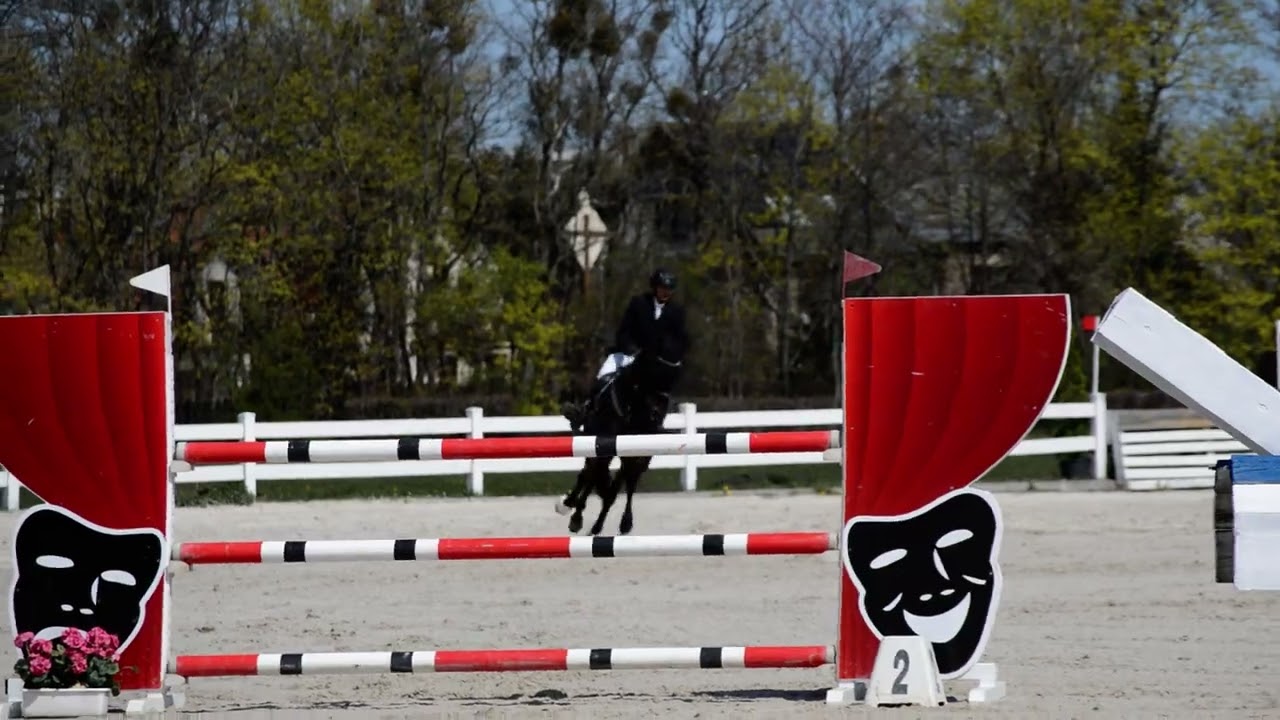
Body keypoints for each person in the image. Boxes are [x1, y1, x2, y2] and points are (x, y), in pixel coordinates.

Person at [562, 267, 689, 431]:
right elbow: (624, 331)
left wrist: (672, 356)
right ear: (655, 287)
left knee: (664, 384)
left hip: (657, 360)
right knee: (604, 373)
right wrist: (630, 348)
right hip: (631, 353)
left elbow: (680, 339)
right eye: (662, 288)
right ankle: (586, 409)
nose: (665, 292)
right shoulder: (638, 303)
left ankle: (658, 419)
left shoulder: (677, 312)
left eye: (669, 290)